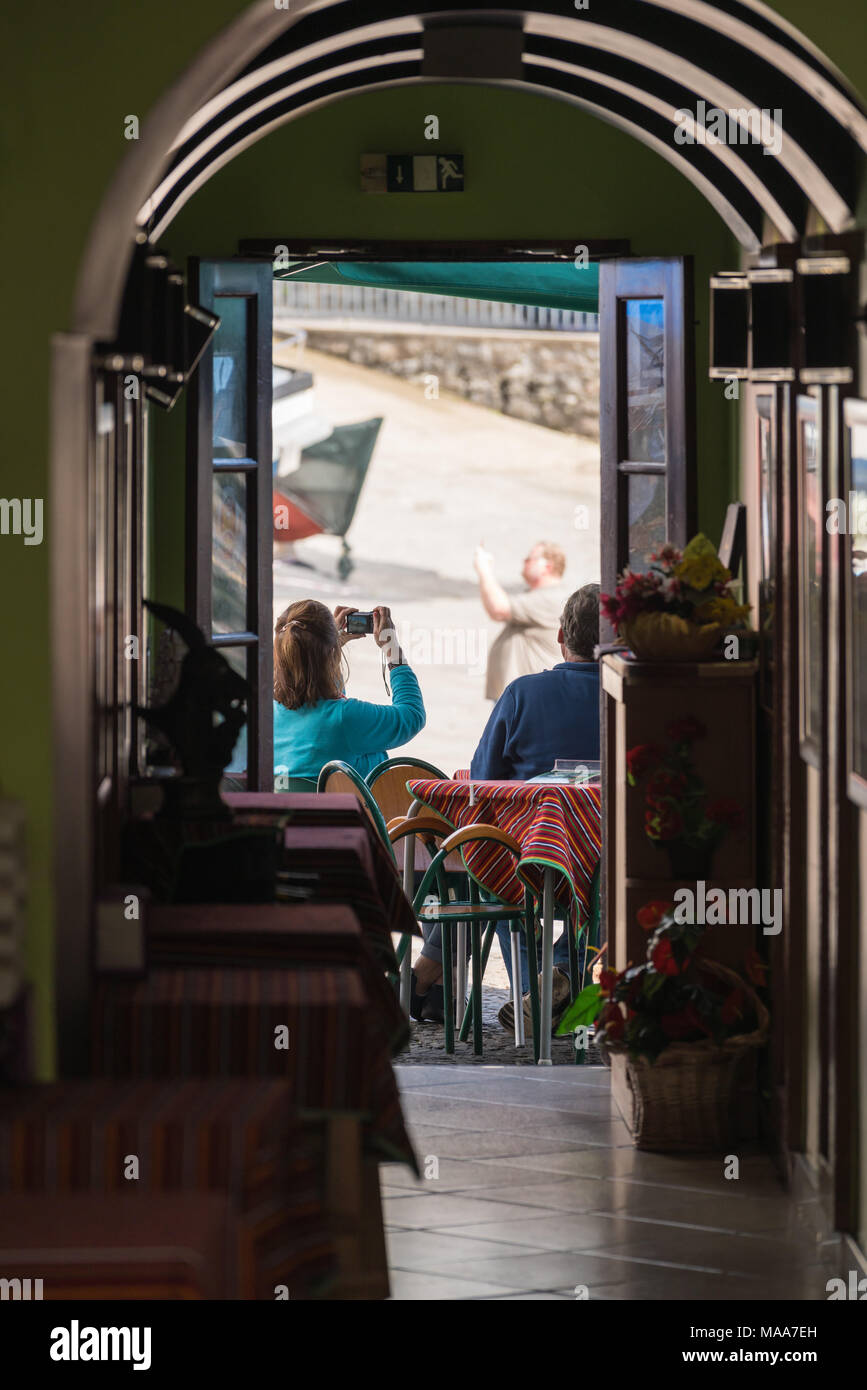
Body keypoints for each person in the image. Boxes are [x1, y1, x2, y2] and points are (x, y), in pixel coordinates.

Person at [469, 583, 601, 1032]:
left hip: (533, 862)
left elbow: (483, 781)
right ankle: (561, 971)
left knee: (499, 875)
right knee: (608, 893)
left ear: (560, 636)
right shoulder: (628, 697)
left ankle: (534, 993)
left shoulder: (522, 693)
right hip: (601, 860)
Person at [272, 600, 425, 780]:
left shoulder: (268, 713)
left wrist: (329, 654)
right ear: (331, 652)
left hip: (287, 806)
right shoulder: (345, 718)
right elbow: (412, 715)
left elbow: (320, 694)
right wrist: (392, 649)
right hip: (343, 807)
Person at [475, 540, 567, 702]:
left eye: (529, 559)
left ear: (548, 567)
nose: (524, 563)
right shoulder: (539, 596)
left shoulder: (550, 597)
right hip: (522, 695)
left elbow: (498, 608)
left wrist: (484, 570)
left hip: (531, 698)